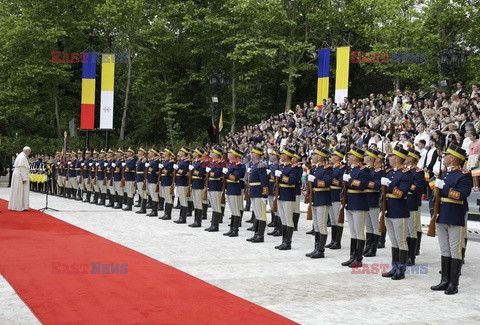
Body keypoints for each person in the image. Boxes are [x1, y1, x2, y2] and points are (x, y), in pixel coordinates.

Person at [430, 144, 472, 295]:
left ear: (453, 159)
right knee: (445, 249)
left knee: (455, 250)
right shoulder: (442, 173)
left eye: (446, 154)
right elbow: (434, 196)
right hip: (441, 214)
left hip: (455, 215)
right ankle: (444, 280)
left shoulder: (464, 175)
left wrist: (445, 188)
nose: (444, 156)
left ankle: (453, 283)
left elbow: (461, 195)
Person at [8, 147, 31, 211]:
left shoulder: (20, 156)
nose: (29, 153)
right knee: (19, 191)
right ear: (26, 151)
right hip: (20, 176)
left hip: (18, 175)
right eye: (29, 152)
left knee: (16, 191)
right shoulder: (22, 157)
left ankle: (15, 205)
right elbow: (22, 169)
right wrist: (24, 179)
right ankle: (19, 206)